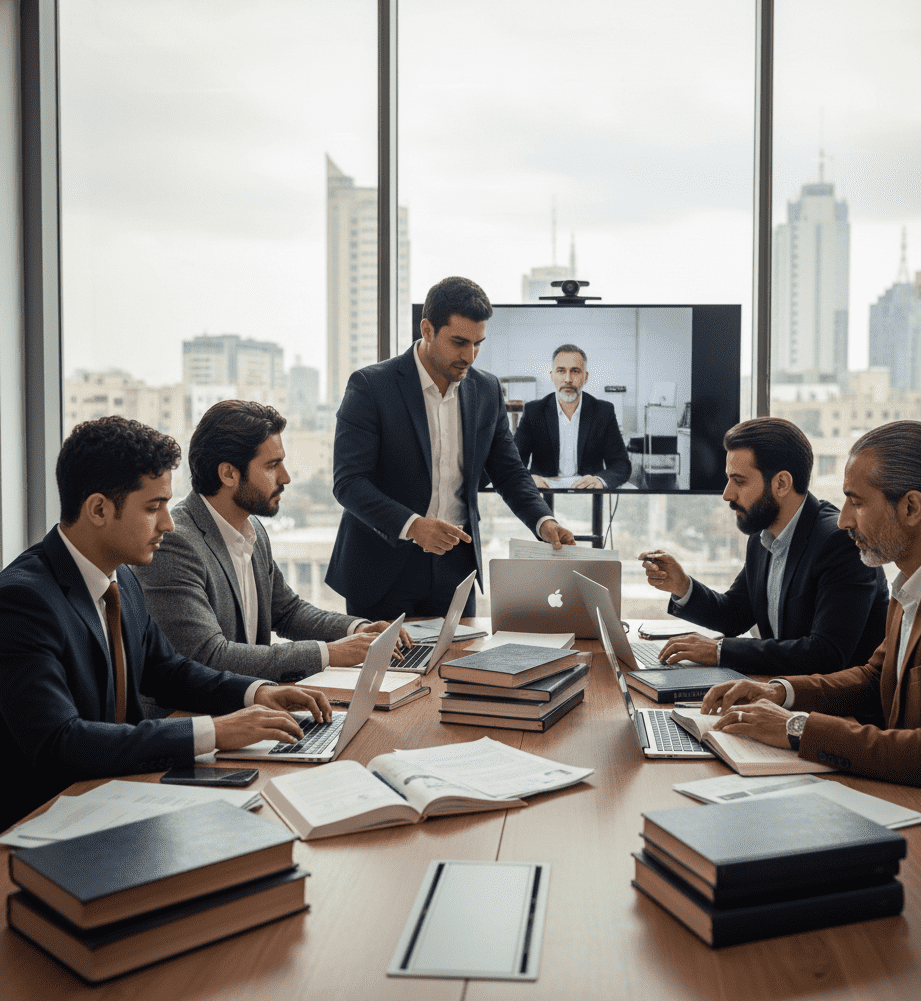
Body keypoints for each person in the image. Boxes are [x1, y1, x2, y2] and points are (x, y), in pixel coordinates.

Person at [700, 421, 921, 856]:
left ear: (911, 507)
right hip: (908, 801)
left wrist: (797, 728)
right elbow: (876, 678)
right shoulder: (915, 576)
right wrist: (780, 692)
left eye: (856, 502)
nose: (845, 518)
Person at [0, 417, 332, 831]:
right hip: (51, 821)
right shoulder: (23, 600)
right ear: (99, 509)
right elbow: (60, 743)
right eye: (153, 508)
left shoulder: (120, 577)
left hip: (123, 794)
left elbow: (169, 671)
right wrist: (213, 731)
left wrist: (257, 693)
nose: (169, 524)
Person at [326, 275, 575, 620]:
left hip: (455, 569)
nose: (469, 356)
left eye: (478, 343)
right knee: (391, 674)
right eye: (459, 342)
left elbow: (509, 471)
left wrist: (542, 520)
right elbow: (349, 483)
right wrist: (414, 526)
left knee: (456, 669)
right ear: (427, 330)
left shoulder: (487, 390)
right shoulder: (370, 386)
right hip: (382, 568)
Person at [135, 400, 409, 684]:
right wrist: (328, 654)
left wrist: (357, 629)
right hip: (194, 715)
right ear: (228, 473)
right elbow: (208, 656)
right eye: (272, 465)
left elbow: (287, 612)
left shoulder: (252, 528)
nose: (286, 477)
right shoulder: (175, 543)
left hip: (253, 703)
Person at [639, 417, 888, 675]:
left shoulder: (839, 542)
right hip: (778, 691)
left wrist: (720, 651)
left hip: (835, 709)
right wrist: (682, 586)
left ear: (781, 483)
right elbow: (735, 614)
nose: (727, 494)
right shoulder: (763, 535)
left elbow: (825, 654)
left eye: (740, 481)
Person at [513, 343, 632, 490]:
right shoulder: (534, 411)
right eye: (561, 371)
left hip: (588, 493)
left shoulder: (603, 411)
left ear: (585, 377)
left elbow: (621, 464)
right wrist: (527, 478)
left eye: (575, 371)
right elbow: (514, 461)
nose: (568, 379)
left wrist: (600, 480)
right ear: (552, 376)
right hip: (544, 491)